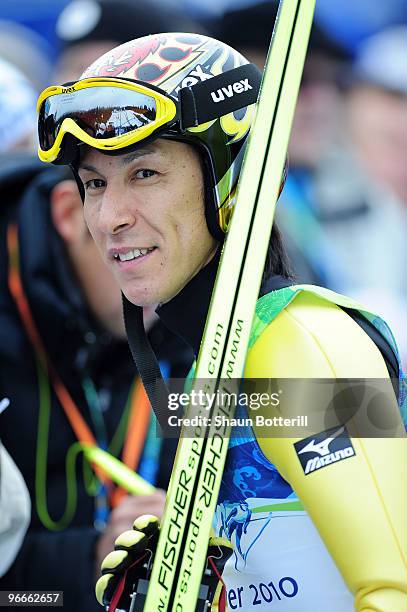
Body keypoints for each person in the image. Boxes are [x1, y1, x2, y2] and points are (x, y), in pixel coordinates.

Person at [36, 32, 407, 611]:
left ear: (232, 181)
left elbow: (395, 591)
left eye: (145, 175)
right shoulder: (213, 359)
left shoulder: (304, 345)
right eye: (94, 184)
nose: (108, 218)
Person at [0, 155, 192, 611]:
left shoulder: (197, 312)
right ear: (70, 212)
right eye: (129, 250)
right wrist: (88, 567)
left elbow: (359, 417)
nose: (156, 275)